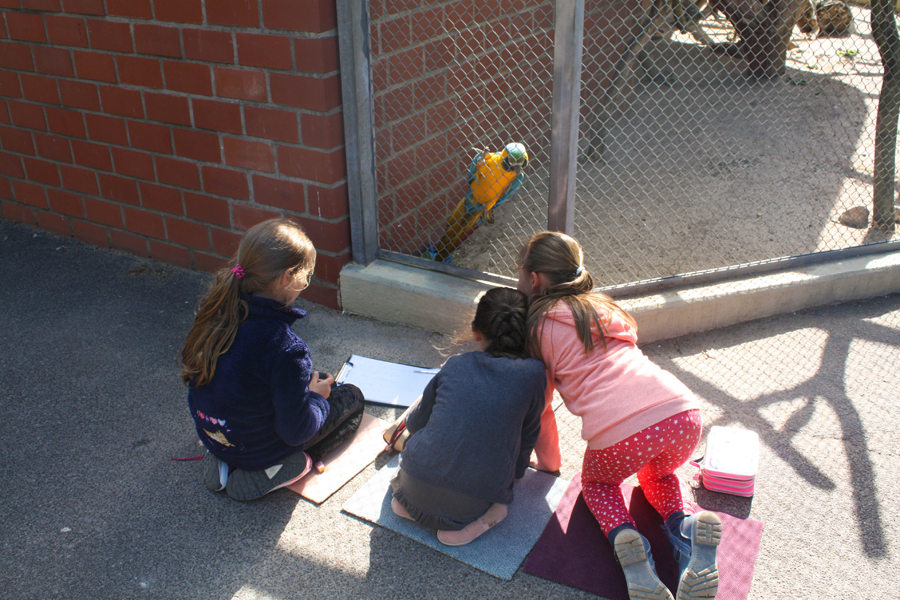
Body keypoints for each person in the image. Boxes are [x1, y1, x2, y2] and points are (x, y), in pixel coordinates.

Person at [517, 231, 721, 600]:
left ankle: (625, 536)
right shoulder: (604, 308)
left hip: (621, 435)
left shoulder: (537, 327)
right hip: (683, 413)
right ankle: (686, 528)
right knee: (658, 473)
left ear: (533, 280)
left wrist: (549, 466)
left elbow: (543, 408)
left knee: (597, 484)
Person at [180, 218, 364, 502]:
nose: (305, 283)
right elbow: (296, 431)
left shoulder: (214, 312)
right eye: (306, 276)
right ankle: (273, 468)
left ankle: (223, 459)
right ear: (287, 277)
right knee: (351, 397)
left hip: (215, 434)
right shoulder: (286, 348)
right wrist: (318, 399)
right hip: (257, 449)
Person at [390, 287, 546, 546]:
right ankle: (465, 528)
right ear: (528, 333)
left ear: (476, 331)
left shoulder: (455, 363)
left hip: (413, 482)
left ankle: (405, 505)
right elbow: (529, 433)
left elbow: (415, 423)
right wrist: (516, 474)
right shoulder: (534, 374)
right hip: (473, 500)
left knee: (410, 482)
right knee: (500, 506)